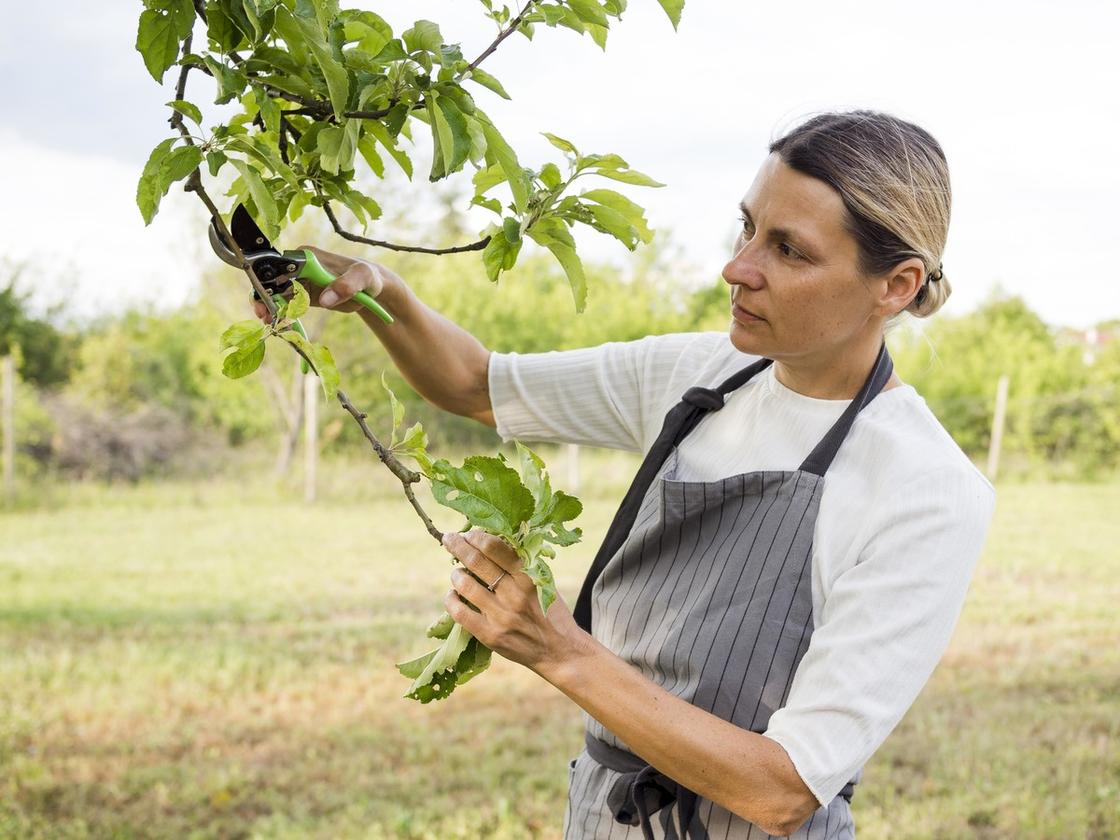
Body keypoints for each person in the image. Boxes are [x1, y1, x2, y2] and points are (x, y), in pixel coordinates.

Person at [257, 110, 996, 839]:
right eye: (746, 228)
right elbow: (474, 384)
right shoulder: (698, 373)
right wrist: (381, 291)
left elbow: (783, 791)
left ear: (895, 286)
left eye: (788, 251)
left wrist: (557, 648)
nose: (737, 268)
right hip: (604, 815)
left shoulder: (925, 488)